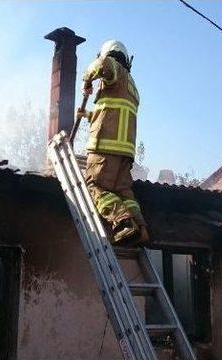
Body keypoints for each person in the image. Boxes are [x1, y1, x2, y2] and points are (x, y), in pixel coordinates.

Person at [78, 40, 148, 245]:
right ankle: (140, 227)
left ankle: (123, 222)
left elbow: (102, 65)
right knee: (123, 192)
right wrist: (89, 115)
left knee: (94, 186)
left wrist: (87, 80)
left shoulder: (114, 68)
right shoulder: (131, 86)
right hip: (124, 154)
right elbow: (113, 116)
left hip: (104, 150)